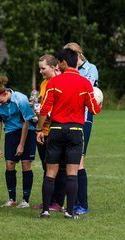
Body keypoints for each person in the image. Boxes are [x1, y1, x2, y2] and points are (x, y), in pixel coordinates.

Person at [37, 48, 101, 219]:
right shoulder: (85, 84)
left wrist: (38, 129)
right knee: (72, 173)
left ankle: (45, 211)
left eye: (59, 62)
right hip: (75, 131)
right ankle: (70, 212)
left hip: (56, 130)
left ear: (64, 63)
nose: (58, 65)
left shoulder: (54, 82)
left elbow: (44, 109)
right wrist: (100, 101)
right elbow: (94, 109)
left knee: (50, 173)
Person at [0, 76, 36, 209]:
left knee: (25, 164)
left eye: (0, 101)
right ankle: (12, 199)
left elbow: (26, 122)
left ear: (5, 93)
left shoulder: (20, 99)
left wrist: (21, 144)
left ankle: (25, 200)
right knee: (10, 165)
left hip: (27, 132)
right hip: (10, 132)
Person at [63, 42, 98, 215]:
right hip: (67, 119)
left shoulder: (91, 69)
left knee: (79, 161)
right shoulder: (67, 69)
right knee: (69, 161)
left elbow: (87, 91)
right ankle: (72, 201)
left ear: (76, 54)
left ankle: (82, 204)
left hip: (83, 119)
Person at [33, 54, 66, 212]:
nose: (40, 71)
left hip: (56, 130)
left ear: (54, 67)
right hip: (42, 131)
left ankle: (58, 202)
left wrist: (46, 117)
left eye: (43, 68)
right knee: (47, 167)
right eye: (39, 68)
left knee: (58, 168)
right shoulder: (44, 83)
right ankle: (48, 200)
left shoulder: (60, 82)